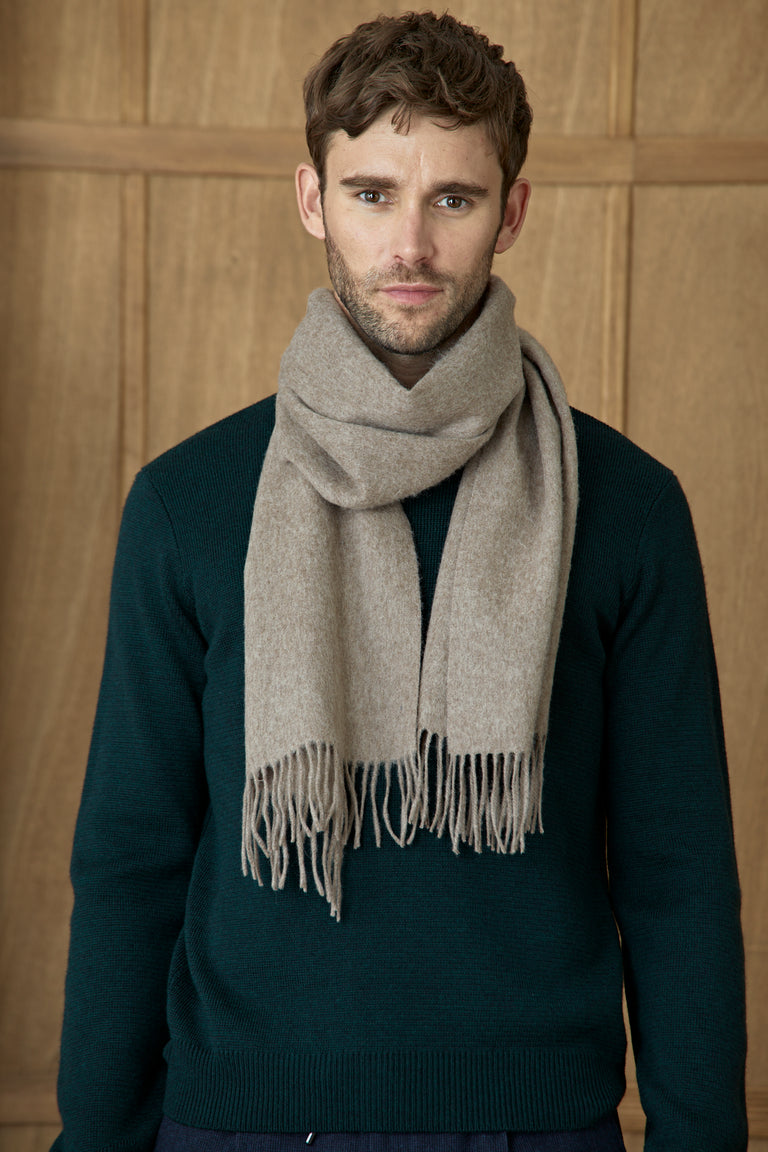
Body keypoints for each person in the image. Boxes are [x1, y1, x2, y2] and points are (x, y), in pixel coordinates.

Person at [52, 11, 747, 1152]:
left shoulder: (626, 507)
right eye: (373, 194)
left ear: (511, 213)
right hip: (241, 1127)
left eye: (453, 199)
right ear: (312, 200)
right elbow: (131, 861)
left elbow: (678, 877)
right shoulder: (189, 502)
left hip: (535, 1129)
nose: (410, 245)